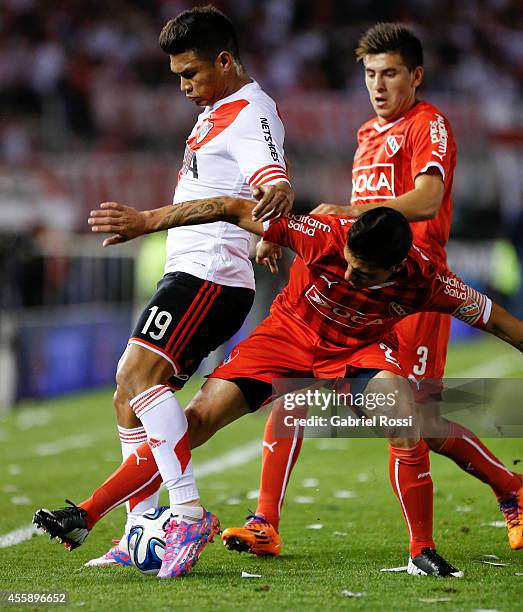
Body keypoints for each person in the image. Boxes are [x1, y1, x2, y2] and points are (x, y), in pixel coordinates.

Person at [34, 200, 523, 578]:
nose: (348, 275)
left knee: (407, 419)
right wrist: (147, 220)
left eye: (363, 274)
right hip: (286, 337)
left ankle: (422, 550)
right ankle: (88, 513)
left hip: (357, 351)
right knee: (194, 422)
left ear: (396, 268)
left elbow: (499, 322)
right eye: (348, 263)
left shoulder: (428, 281)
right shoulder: (325, 234)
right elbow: (229, 206)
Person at [223, 22, 523, 556]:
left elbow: (426, 201)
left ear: (416, 76)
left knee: (416, 422)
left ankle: (511, 491)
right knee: (292, 385)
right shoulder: (366, 134)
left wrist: (351, 209)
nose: (378, 85)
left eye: (389, 73)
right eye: (369, 74)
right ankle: (265, 520)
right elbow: (362, 224)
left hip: (413, 289)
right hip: (361, 292)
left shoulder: (428, 124)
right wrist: (282, 235)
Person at [62, 5, 293, 570]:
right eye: (177, 77)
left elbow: (270, 181)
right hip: (188, 273)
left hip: (211, 276)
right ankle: (141, 531)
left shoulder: (251, 111)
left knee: (135, 378)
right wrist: (270, 233)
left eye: (191, 73)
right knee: (128, 400)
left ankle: (187, 515)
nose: (184, 86)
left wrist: (276, 206)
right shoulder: (215, 109)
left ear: (225, 59)